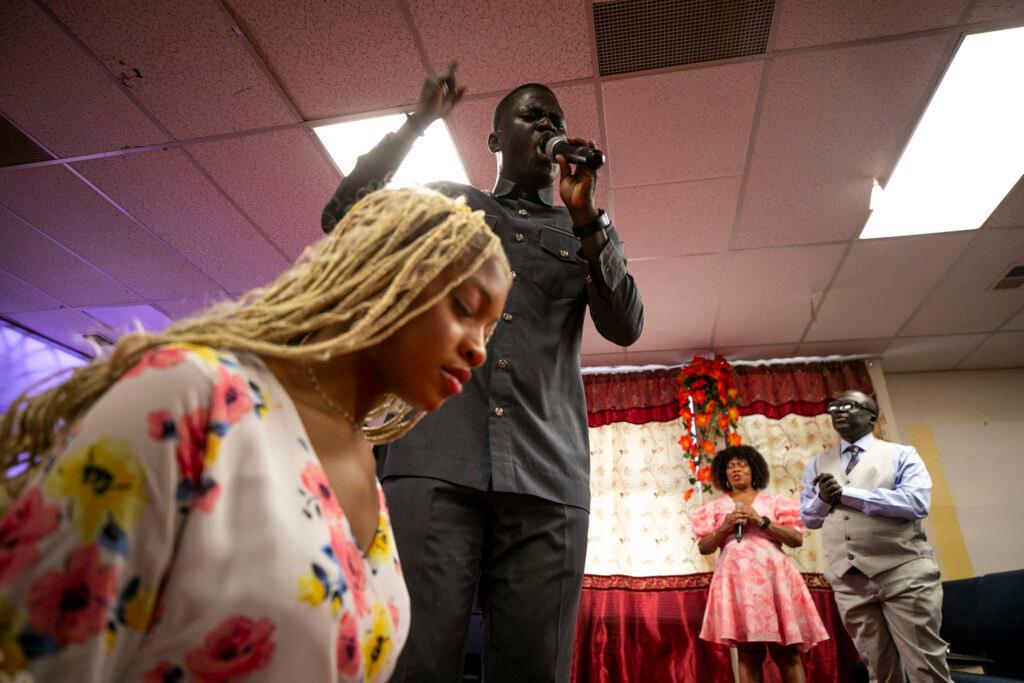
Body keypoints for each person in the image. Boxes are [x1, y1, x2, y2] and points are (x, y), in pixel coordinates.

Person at [0, 187, 511, 682]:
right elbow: (36, 654)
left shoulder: (368, 473)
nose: (479, 350)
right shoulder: (193, 394)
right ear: (385, 276)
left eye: (489, 331)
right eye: (465, 309)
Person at [321, 65, 643, 681]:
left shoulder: (586, 232)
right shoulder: (449, 203)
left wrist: (587, 218)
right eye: (533, 115)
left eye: (557, 119)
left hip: (547, 479)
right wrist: (415, 126)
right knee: (414, 660)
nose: (549, 125)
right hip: (437, 463)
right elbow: (342, 215)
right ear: (494, 140)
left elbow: (625, 324)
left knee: (533, 668)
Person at [800, 390, 953, 683]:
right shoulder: (817, 464)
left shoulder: (901, 454)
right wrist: (823, 498)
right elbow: (809, 518)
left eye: (849, 405)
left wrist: (848, 494)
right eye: (834, 406)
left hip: (903, 575)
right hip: (849, 581)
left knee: (926, 669)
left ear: (872, 416)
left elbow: (915, 504)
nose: (839, 410)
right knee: (879, 673)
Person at [690, 445, 829, 683]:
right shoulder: (713, 508)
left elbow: (795, 539)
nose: (736, 469)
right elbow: (704, 547)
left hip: (774, 579)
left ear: (754, 470)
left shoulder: (775, 502)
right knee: (747, 654)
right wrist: (724, 527)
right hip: (738, 582)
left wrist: (761, 521)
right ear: (724, 474)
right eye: (730, 466)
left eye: (742, 464)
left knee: (787, 652)